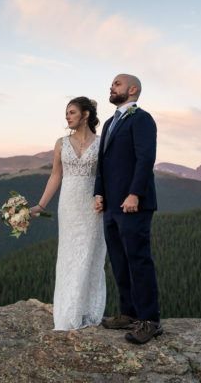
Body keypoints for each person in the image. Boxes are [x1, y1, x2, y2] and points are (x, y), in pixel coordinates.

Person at [94, 74, 161, 344]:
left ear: (132, 90)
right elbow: (103, 162)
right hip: (110, 205)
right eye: (111, 84)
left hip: (134, 204)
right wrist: (98, 192)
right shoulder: (110, 123)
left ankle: (150, 321)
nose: (111, 87)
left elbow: (146, 158)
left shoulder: (142, 119)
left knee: (138, 260)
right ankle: (128, 313)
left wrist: (134, 193)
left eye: (117, 84)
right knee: (119, 260)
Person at [31, 96, 106, 330]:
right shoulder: (61, 143)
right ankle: (67, 314)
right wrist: (41, 205)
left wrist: (104, 197)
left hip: (94, 206)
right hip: (69, 205)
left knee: (91, 256)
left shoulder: (103, 142)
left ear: (85, 115)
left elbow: (109, 175)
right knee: (69, 255)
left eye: (72, 112)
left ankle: (88, 312)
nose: (67, 116)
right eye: (67, 113)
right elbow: (56, 175)